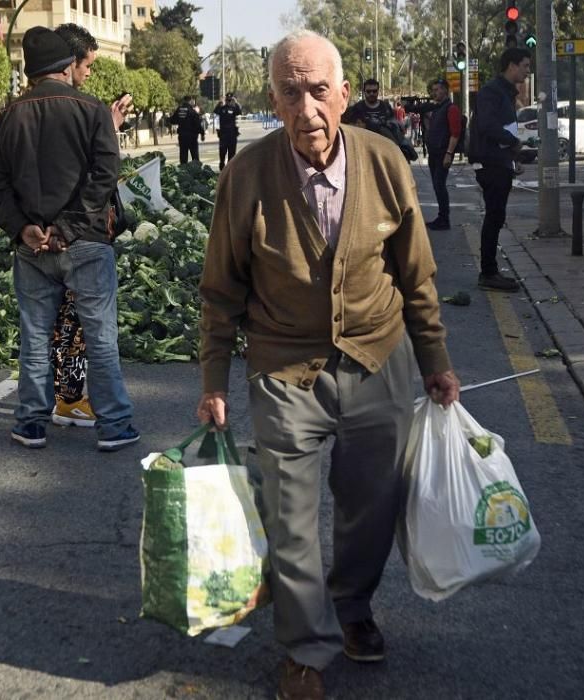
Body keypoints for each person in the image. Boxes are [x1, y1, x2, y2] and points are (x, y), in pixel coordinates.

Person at [196, 30, 459, 700]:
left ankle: (351, 608)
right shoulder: (246, 175)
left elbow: (417, 274)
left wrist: (434, 358)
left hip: (378, 358)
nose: (306, 107)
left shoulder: (384, 161)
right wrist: (212, 383)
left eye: (318, 90)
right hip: (285, 368)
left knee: (370, 508)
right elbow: (221, 288)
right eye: (290, 92)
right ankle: (303, 650)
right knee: (290, 520)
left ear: (343, 94)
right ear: (273, 101)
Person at [0, 26, 139, 452]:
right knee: (101, 337)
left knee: (34, 335)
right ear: (68, 66)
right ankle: (115, 426)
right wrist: (68, 227)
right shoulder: (92, 111)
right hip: (85, 241)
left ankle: (30, 423)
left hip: (31, 246)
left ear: (30, 72)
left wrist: (22, 228)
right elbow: (104, 175)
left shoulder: (7, 116)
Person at [47, 22, 134, 429]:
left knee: (61, 319)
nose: (89, 73)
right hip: (78, 231)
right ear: (70, 62)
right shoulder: (77, 108)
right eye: (88, 65)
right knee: (80, 322)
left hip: (51, 232)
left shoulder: (42, 106)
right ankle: (68, 399)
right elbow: (90, 171)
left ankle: (58, 397)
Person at [471, 47, 532, 292]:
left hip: (500, 161)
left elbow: (504, 126)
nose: (528, 71)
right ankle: (488, 272)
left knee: (497, 216)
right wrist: (513, 142)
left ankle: (490, 270)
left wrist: (513, 157)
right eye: (526, 66)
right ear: (512, 66)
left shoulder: (505, 93)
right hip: (490, 163)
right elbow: (487, 125)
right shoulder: (491, 92)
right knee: (494, 216)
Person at [404, 78, 463, 230]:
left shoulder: (451, 109)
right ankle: (441, 217)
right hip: (434, 153)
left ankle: (444, 219)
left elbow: (455, 133)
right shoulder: (437, 108)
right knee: (437, 186)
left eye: (437, 90)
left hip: (443, 153)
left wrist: (449, 153)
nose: (434, 93)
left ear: (445, 90)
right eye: (433, 90)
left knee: (439, 185)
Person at [169, 95, 205, 164]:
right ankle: (196, 172)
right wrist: (202, 134)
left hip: (182, 136)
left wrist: (180, 121)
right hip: (192, 137)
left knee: (183, 156)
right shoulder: (192, 111)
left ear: (184, 100)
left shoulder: (179, 109)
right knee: (195, 157)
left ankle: (183, 171)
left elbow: (172, 120)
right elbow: (197, 124)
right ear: (190, 101)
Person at [213, 92, 242, 169]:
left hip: (231, 134)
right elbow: (215, 111)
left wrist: (236, 102)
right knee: (222, 153)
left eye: (230, 100)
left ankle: (229, 169)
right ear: (225, 100)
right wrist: (220, 102)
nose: (228, 102)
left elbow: (239, 112)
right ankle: (222, 166)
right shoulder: (222, 108)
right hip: (224, 134)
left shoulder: (234, 109)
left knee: (231, 154)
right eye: (227, 100)